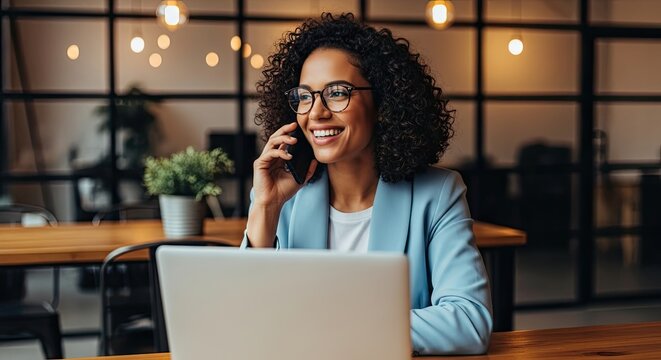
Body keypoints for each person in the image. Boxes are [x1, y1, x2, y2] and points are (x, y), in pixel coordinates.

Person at [242, 13, 492, 355]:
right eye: (304, 96)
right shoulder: (282, 197)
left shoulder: (438, 194)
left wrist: (339, 325)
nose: (315, 113)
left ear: (381, 103)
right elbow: (246, 322)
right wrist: (266, 209)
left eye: (337, 93)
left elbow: (468, 322)